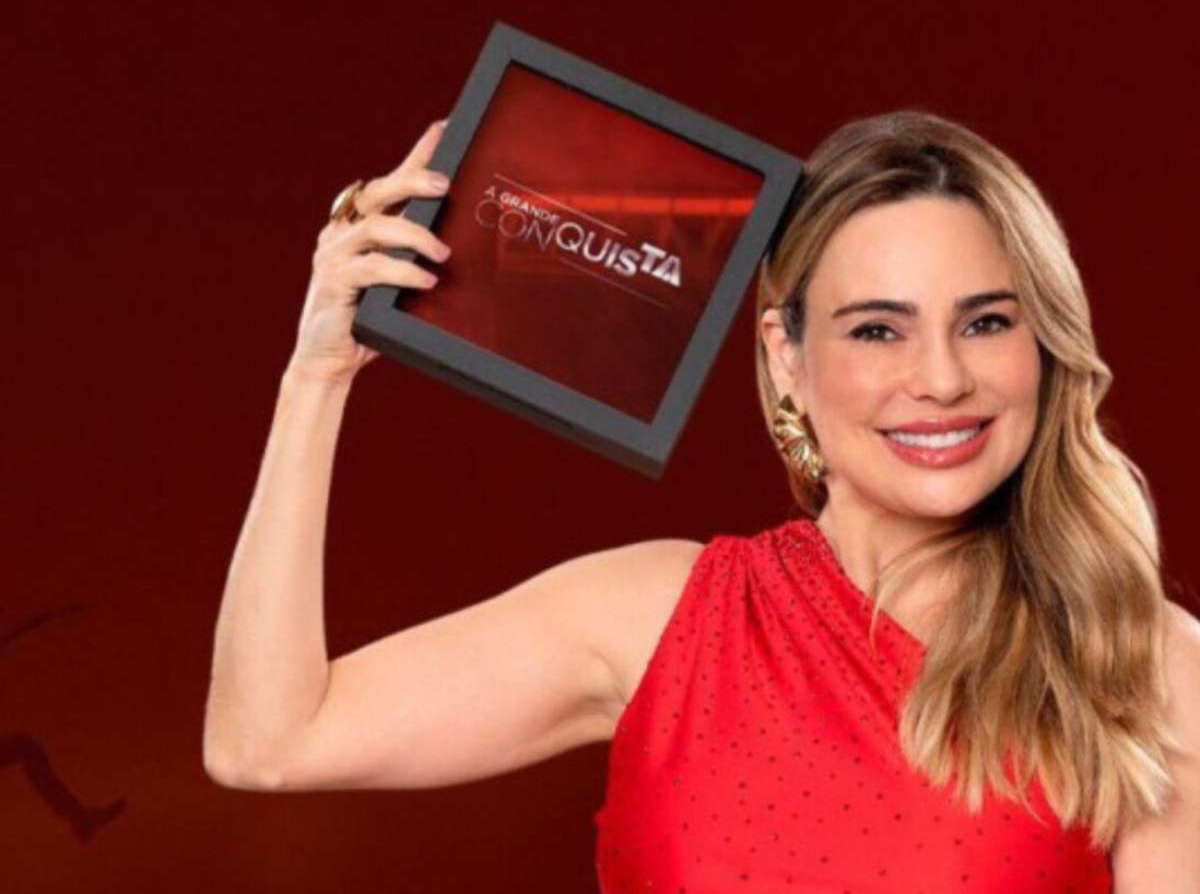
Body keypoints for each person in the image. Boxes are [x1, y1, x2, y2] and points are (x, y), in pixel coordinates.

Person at [201, 111, 1200, 892]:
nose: (941, 379)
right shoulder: (656, 616)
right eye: (876, 331)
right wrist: (315, 378)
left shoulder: (1143, 660)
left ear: (1044, 345)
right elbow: (269, 741)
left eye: (986, 323)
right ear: (787, 357)